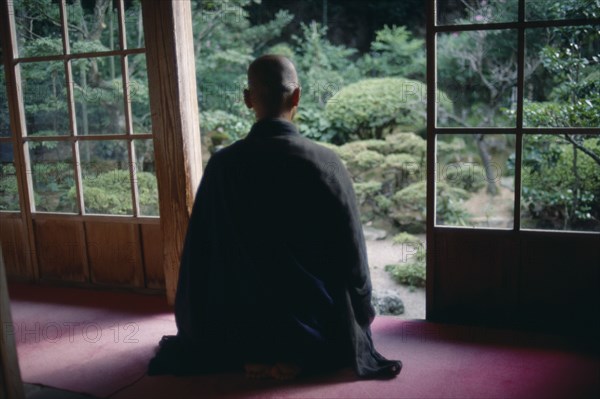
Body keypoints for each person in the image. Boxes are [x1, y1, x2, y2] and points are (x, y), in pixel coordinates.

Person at [148, 55, 401, 380]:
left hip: (238, 325)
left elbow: (199, 255)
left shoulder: (223, 166)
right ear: (297, 97)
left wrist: (193, 323)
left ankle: (252, 354)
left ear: (247, 99)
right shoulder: (327, 163)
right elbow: (353, 254)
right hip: (315, 326)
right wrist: (363, 313)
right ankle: (297, 355)